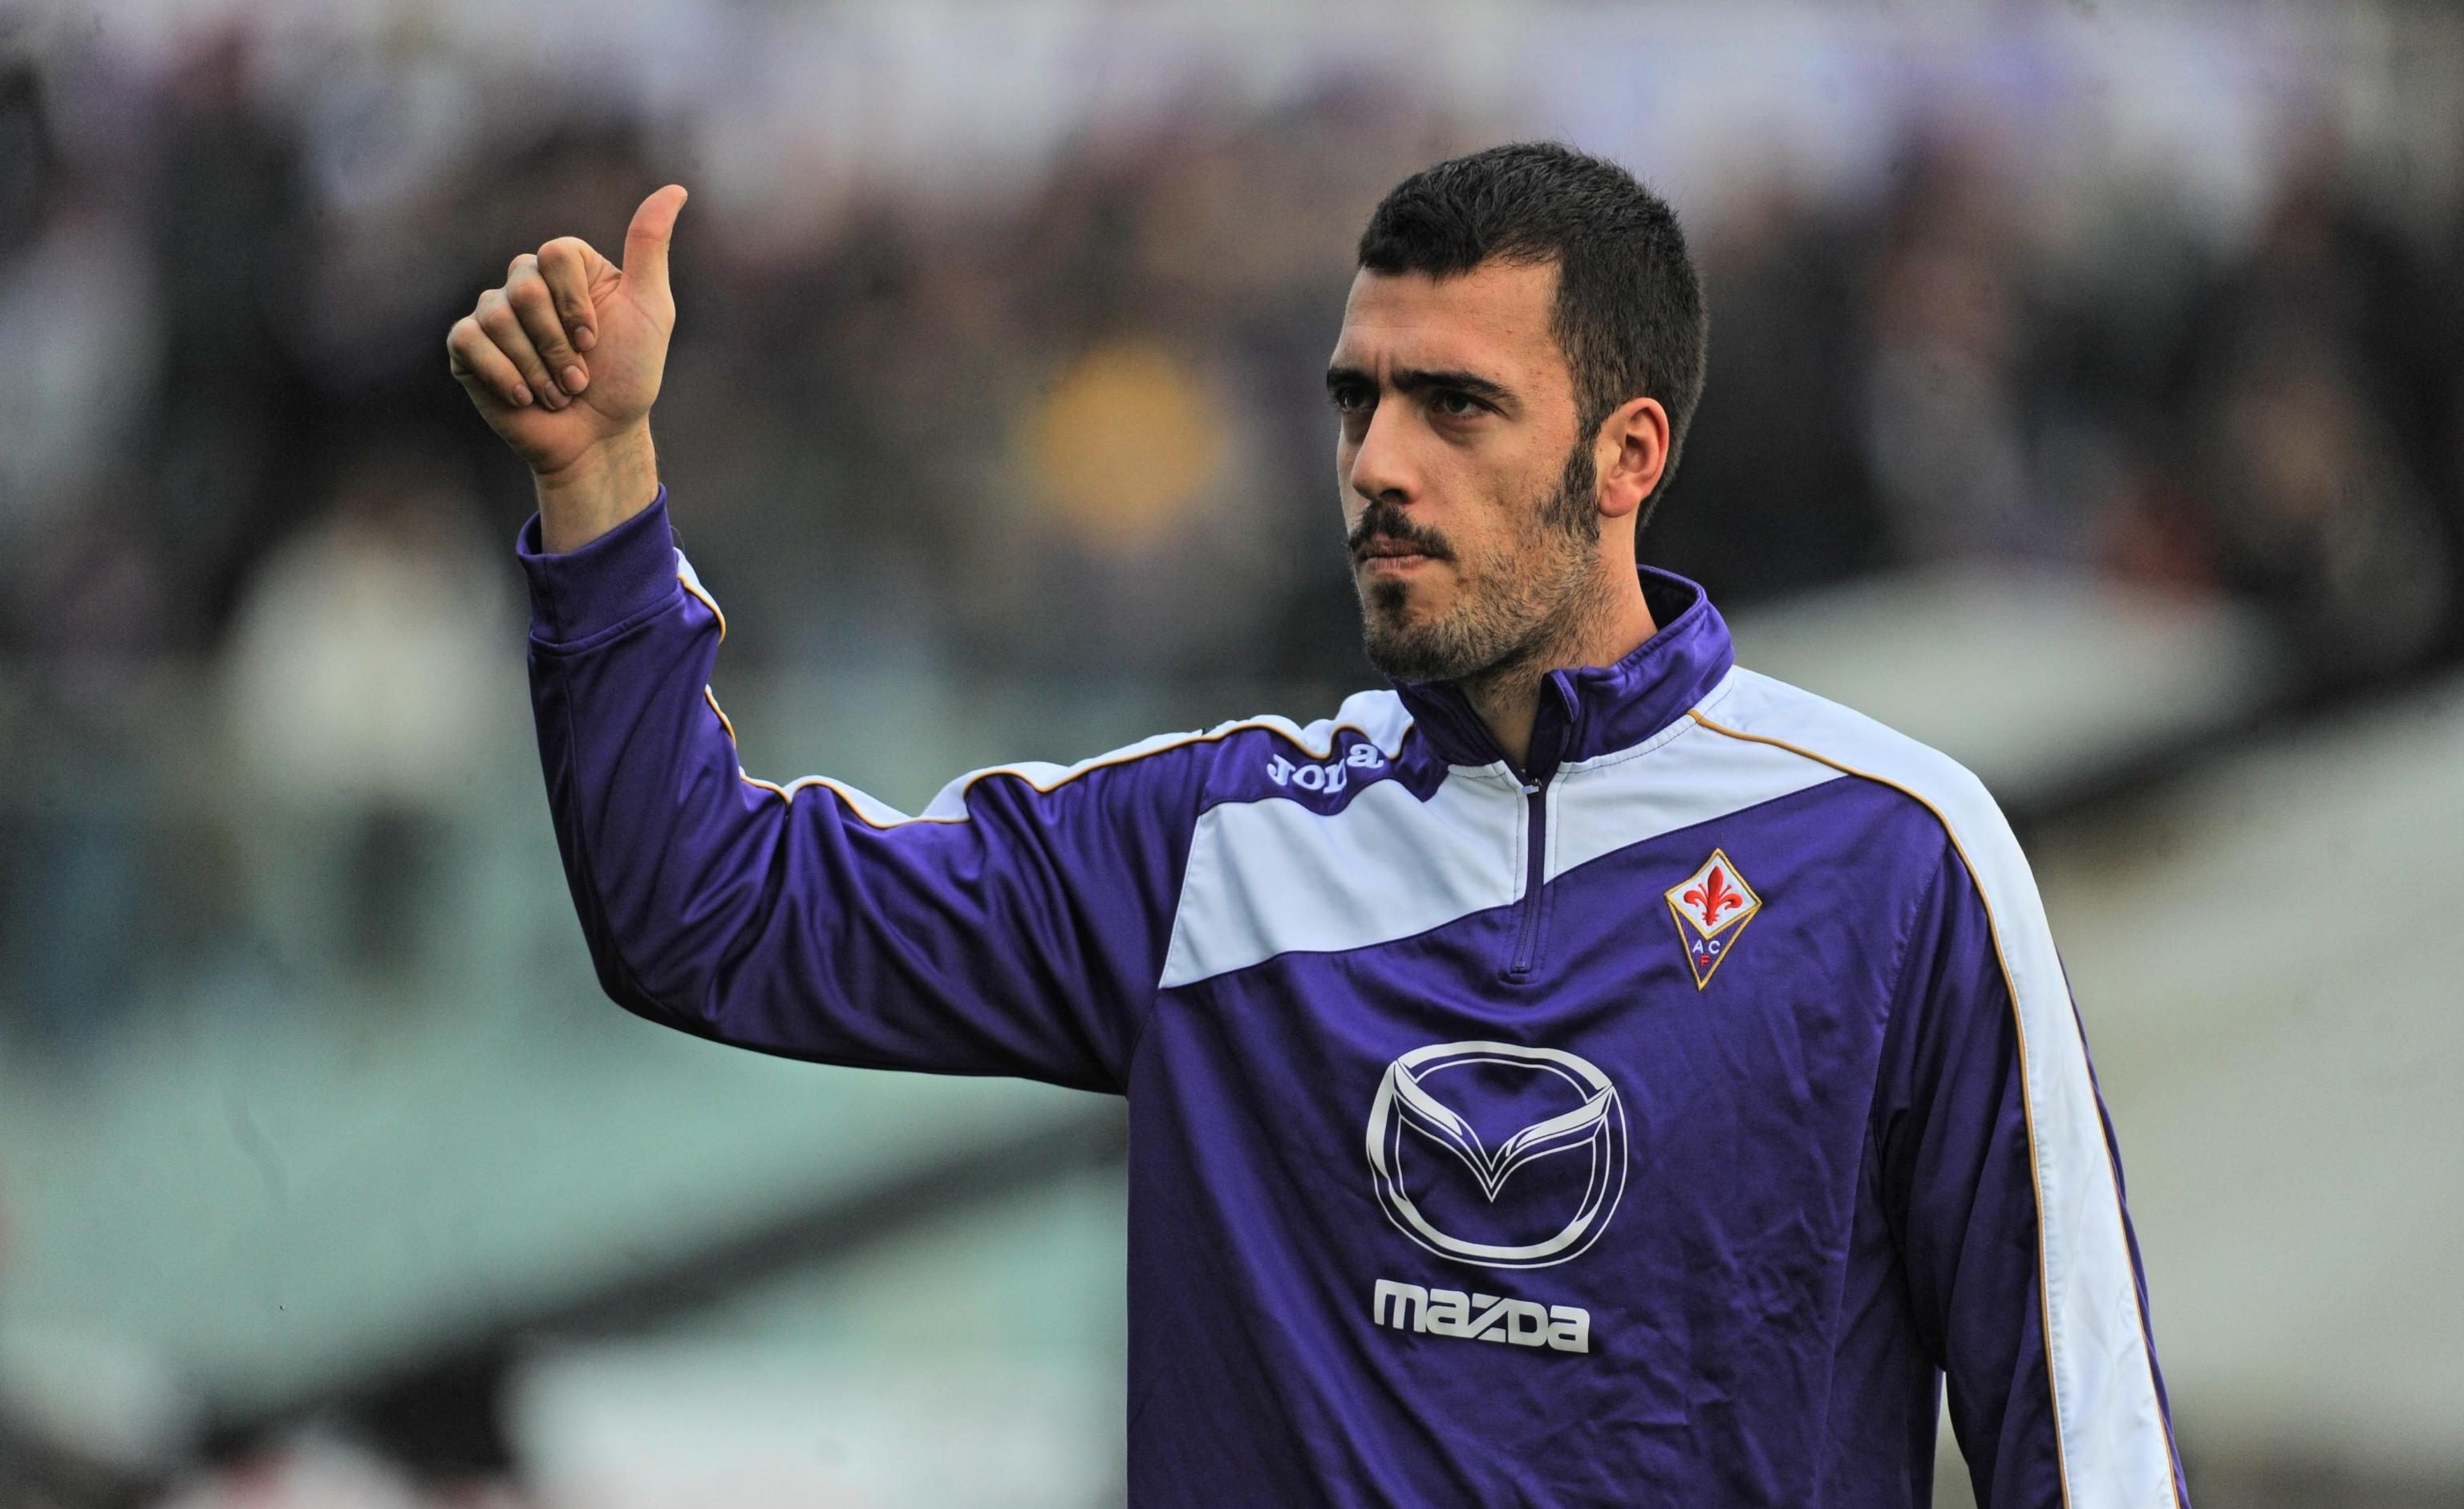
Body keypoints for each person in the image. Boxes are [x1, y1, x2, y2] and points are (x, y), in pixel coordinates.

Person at [449, 143, 2188, 1507]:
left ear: (1627, 450)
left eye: (1457, 404)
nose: (1377, 461)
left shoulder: (1895, 857)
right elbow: (706, 912)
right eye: (1359, 399)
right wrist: (598, 486)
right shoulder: (1219, 840)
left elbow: (2087, 1442)